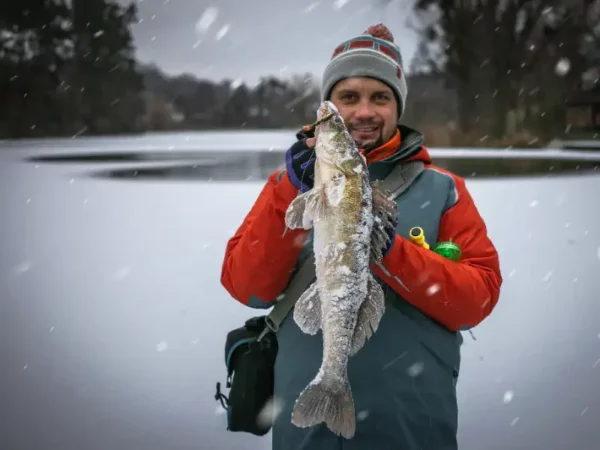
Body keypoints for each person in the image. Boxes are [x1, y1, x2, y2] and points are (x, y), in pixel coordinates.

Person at [220, 23, 502, 450]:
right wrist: (290, 189)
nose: (364, 112)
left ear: (398, 106)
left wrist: (391, 251)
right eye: (348, 98)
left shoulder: (443, 190)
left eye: (380, 97)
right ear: (328, 107)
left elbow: (476, 299)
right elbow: (246, 286)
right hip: (306, 435)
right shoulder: (288, 185)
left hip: (412, 431)